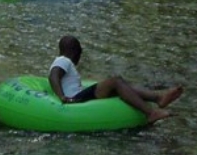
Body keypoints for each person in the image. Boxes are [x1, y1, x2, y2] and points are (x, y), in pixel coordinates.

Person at [48, 35, 183, 124]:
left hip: (77, 95)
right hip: (73, 99)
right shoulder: (63, 60)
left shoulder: (63, 61)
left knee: (122, 85)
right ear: (76, 53)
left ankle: (158, 98)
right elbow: (54, 75)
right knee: (116, 81)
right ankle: (151, 112)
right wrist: (62, 96)